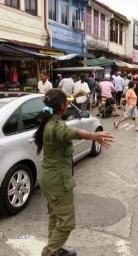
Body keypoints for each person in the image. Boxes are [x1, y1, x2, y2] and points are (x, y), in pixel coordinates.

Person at [34, 89, 112, 256]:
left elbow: (66, 104)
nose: (69, 104)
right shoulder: (55, 126)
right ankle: (48, 253)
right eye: (67, 103)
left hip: (50, 179)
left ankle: (55, 250)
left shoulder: (48, 121)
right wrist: (94, 135)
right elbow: (73, 133)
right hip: (58, 182)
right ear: (62, 106)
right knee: (66, 222)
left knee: (55, 217)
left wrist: (73, 97)